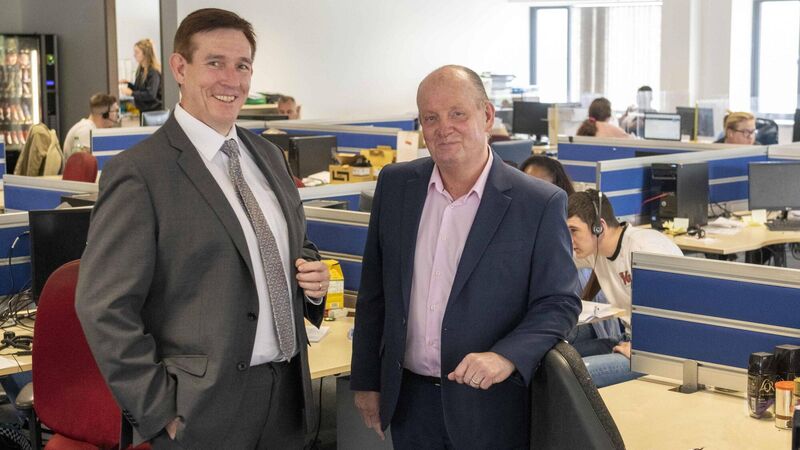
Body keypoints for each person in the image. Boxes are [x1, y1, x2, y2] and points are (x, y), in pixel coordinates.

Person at [75, 9, 330, 449]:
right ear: (180, 67)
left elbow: (296, 247)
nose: (231, 79)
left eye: (242, 65)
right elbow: (103, 307)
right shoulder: (141, 173)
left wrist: (313, 281)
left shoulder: (269, 157)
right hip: (201, 410)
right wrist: (160, 412)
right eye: (215, 63)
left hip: (287, 398)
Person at [350, 65, 581, 450]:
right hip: (410, 403)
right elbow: (375, 292)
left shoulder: (538, 203)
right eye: (430, 118)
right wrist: (366, 381)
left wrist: (506, 356)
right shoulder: (395, 185)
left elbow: (559, 303)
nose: (444, 128)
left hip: (491, 405)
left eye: (457, 113)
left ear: (487, 115)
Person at [567, 189, 683, 387]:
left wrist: (644, 347)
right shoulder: (595, 251)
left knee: (572, 377)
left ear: (599, 227)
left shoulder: (644, 248)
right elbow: (552, 261)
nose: (569, 239)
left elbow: (680, 310)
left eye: (573, 231)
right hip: (629, 340)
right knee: (557, 362)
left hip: (662, 352)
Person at [519, 157, 622, 355]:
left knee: (550, 354)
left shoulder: (571, 225)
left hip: (590, 321)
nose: (530, 193)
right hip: (562, 313)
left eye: (539, 186)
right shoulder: (525, 222)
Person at [62, 93, 118, 162]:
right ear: (105, 115)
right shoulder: (85, 131)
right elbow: (84, 164)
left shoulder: (92, 129)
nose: (117, 115)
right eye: (115, 111)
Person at [121, 38, 163, 112]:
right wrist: (129, 84)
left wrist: (131, 93)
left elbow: (150, 94)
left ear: (145, 54)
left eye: (137, 52)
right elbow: (141, 90)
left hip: (153, 112)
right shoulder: (141, 70)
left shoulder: (153, 72)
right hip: (144, 111)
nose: (134, 55)